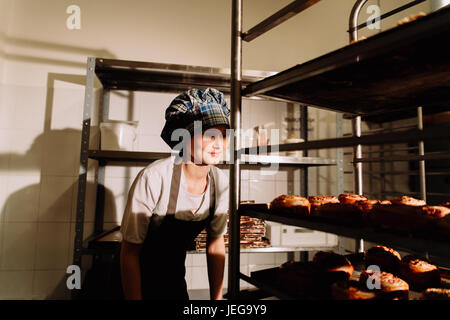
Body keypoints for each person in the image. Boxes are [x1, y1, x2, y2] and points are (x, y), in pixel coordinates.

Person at [120, 88, 230, 300]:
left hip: (173, 281)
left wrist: (216, 301)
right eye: (209, 134)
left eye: (224, 135)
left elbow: (215, 244)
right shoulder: (155, 177)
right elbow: (130, 252)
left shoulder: (220, 182)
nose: (218, 143)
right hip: (130, 282)